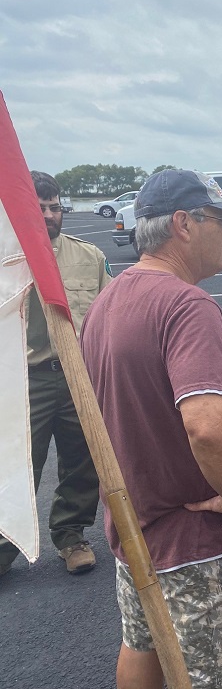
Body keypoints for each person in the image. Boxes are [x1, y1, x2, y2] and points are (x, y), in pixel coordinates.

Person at [80, 169, 222, 689]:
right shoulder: (189, 306)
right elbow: (206, 425)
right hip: (195, 535)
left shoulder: (110, 299)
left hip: (135, 524)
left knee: (142, 645)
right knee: (207, 675)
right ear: (183, 223)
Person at [0, 171, 111, 580]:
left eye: (54, 206)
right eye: (39, 206)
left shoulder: (88, 257)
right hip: (21, 378)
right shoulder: (3, 258)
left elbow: (106, 315)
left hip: (75, 375)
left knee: (80, 460)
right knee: (15, 464)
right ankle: (5, 543)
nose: (49, 214)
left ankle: (71, 536)